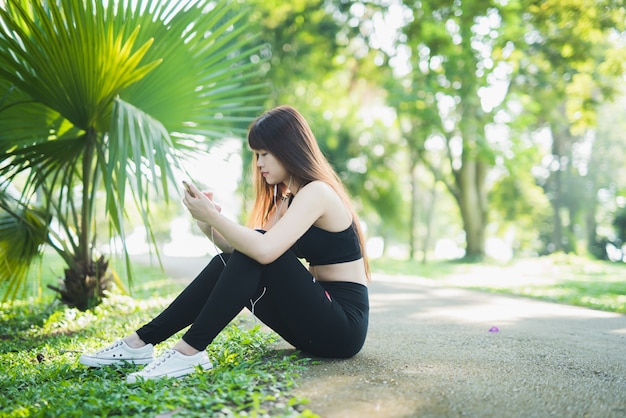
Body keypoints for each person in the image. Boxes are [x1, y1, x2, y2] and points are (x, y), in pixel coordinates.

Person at [79, 105, 370, 383]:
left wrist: (216, 221)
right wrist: (207, 223)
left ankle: (189, 350)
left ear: (288, 150)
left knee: (258, 248)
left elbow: (264, 251)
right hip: (314, 328)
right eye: (257, 155)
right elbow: (243, 253)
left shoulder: (317, 192)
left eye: (265, 154)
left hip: (342, 327)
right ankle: (141, 342)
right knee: (245, 252)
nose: (259, 164)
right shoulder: (286, 201)